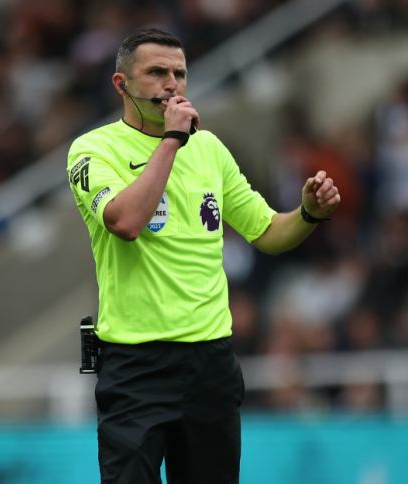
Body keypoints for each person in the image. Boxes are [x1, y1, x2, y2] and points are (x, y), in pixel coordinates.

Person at [67, 28, 340, 484]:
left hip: (209, 364)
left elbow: (268, 231)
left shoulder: (210, 150)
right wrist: (171, 141)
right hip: (135, 366)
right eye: (156, 73)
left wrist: (308, 214)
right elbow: (126, 222)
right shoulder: (94, 150)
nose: (171, 84)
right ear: (122, 85)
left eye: (180, 74)